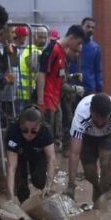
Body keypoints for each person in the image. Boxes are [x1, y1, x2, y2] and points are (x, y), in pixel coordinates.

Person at [66, 93, 111, 203]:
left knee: (106, 163)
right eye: (97, 119)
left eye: (104, 119)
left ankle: (103, 200)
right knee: (90, 173)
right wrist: (71, 186)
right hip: (87, 136)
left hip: (108, 135)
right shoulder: (81, 116)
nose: (100, 123)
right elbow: (74, 154)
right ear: (91, 112)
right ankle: (96, 188)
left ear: (110, 114)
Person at [37, 24, 85, 152]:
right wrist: (41, 101)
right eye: (78, 43)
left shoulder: (61, 54)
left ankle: (49, 166)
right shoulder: (52, 49)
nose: (79, 47)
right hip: (47, 101)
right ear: (72, 37)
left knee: (50, 135)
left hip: (53, 101)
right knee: (45, 137)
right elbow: (41, 74)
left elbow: (59, 77)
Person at [5, 106, 56, 203]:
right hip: (19, 154)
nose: (29, 134)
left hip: (38, 154)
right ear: (20, 126)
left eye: (33, 131)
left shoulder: (45, 131)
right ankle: (24, 205)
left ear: (40, 127)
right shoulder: (13, 131)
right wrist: (10, 197)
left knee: (39, 181)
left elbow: (51, 160)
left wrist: (48, 186)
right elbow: (11, 167)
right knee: (20, 186)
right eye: (24, 130)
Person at [70, 17, 103, 96]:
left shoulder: (95, 47)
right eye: (88, 27)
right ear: (82, 26)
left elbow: (98, 69)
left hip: (89, 87)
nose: (90, 29)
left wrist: (99, 86)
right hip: (72, 86)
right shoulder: (72, 43)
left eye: (93, 28)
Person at [19, 26, 48, 104]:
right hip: (27, 94)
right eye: (40, 37)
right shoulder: (33, 51)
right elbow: (37, 72)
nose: (43, 40)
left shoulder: (34, 50)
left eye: (45, 37)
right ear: (33, 37)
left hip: (27, 92)